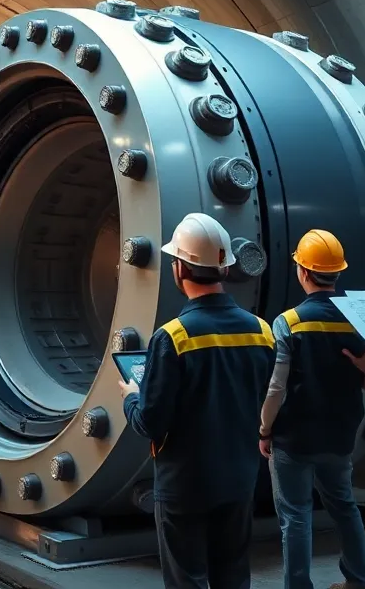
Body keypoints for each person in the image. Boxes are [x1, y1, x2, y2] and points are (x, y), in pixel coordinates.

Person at [122, 213, 276, 588]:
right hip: (240, 479)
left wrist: (131, 396)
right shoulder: (261, 331)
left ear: (179, 269)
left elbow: (151, 422)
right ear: (224, 270)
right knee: (234, 576)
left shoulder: (172, 337)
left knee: (187, 579)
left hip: (185, 485)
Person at [259, 230, 365, 589]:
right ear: (337, 273)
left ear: (303, 272)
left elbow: (276, 387)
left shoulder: (289, 322)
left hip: (293, 437)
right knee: (344, 507)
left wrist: (265, 429)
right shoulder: (357, 319)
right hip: (339, 435)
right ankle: (359, 581)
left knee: (295, 516)